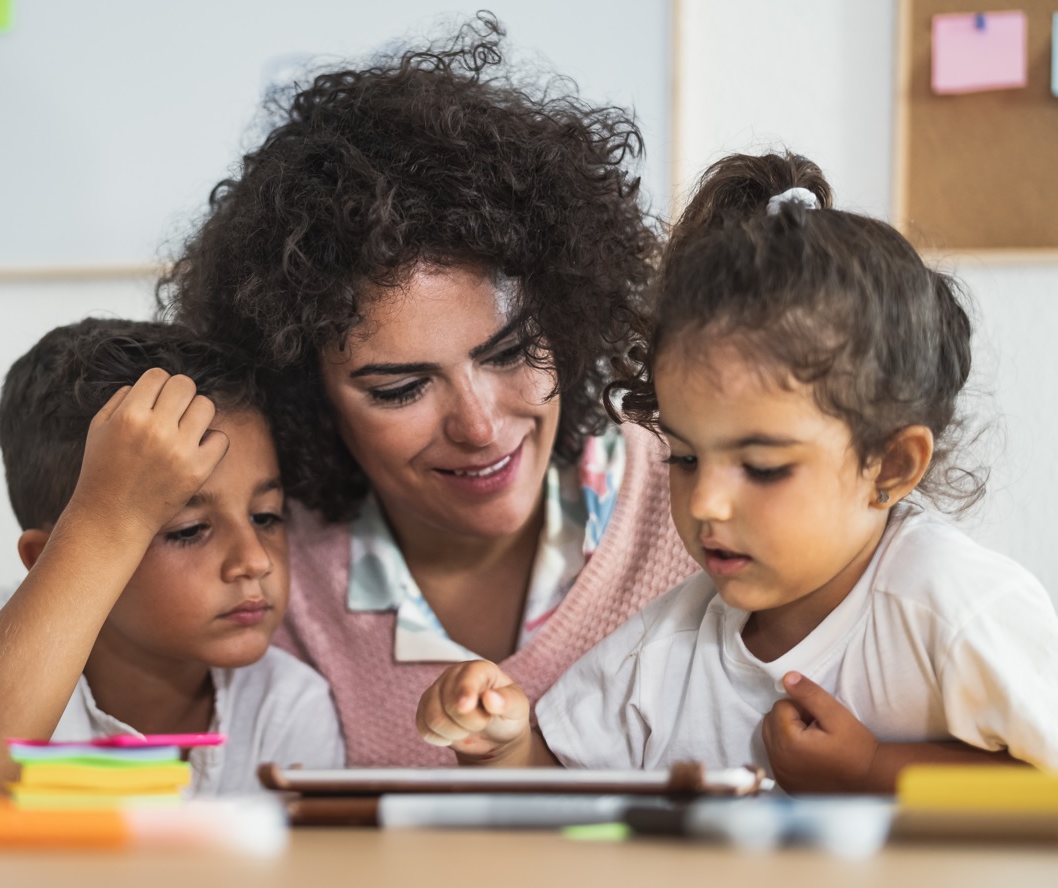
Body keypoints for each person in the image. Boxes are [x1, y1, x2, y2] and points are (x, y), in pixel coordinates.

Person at [415, 152, 1058, 791]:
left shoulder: (953, 609)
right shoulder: (664, 650)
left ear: (888, 466)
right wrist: (504, 747)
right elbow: (562, 792)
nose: (707, 504)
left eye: (762, 467)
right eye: (686, 457)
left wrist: (873, 770)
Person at [158, 16, 697, 766]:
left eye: (511, 351)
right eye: (402, 388)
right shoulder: (264, 574)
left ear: (570, 318)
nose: (478, 425)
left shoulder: (700, 493)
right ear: (306, 396)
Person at [0, 319, 343, 796]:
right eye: (189, 530)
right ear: (46, 557)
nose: (255, 561)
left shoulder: (287, 704)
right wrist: (103, 519)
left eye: (266, 516)